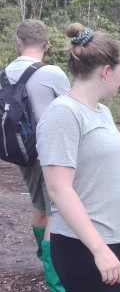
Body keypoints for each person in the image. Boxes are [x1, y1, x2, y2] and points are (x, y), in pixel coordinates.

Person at [36, 23, 120, 292]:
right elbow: (58, 188)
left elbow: (111, 174)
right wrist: (99, 250)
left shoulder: (102, 112)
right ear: (106, 71)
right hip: (84, 244)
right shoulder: (63, 113)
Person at [3, 19, 70, 291]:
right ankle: (55, 281)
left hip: (22, 152)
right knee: (56, 213)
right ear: (47, 45)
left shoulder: (5, 72)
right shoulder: (53, 73)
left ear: (18, 42)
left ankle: (45, 259)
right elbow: (71, 109)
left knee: (39, 207)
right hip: (52, 153)